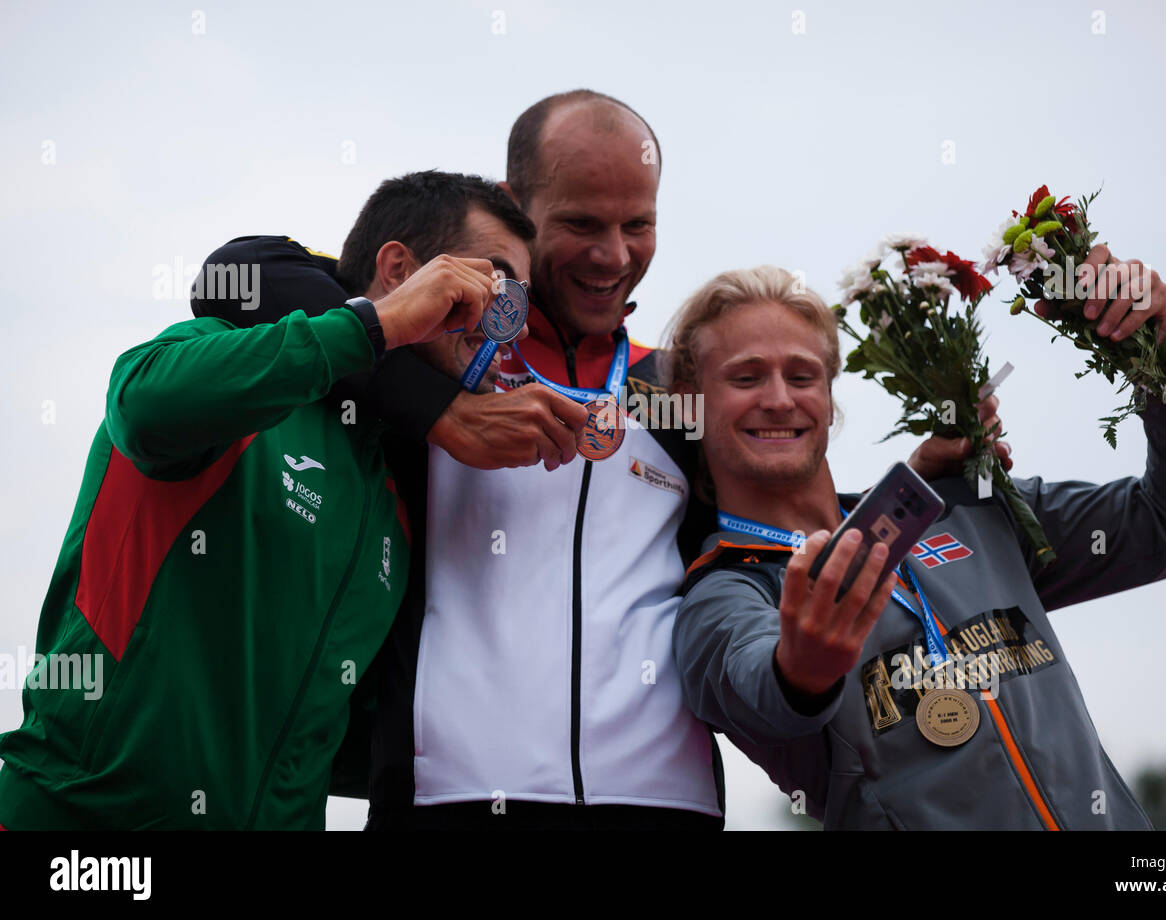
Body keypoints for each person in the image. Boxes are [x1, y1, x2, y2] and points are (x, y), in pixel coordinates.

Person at [200, 90, 1005, 830]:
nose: (614, 256)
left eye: (638, 225)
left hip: (664, 804)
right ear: (517, 209)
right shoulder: (432, 357)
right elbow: (239, 276)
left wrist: (924, 481)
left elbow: (787, 508)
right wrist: (444, 414)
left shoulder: (676, 391)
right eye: (583, 225)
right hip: (452, 798)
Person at [0, 171, 526, 830]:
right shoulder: (238, 366)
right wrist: (378, 326)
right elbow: (141, 405)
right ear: (400, 270)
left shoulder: (395, 489)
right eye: (496, 285)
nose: (508, 323)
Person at [668, 258, 1166, 830]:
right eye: (745, 378)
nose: (778, 398)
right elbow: (760, 685)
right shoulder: (722, 597)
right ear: (693, 401)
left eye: (802, 376)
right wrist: (801, 669)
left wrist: (1151, 350)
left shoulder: (962, 511)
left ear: (828, 396)